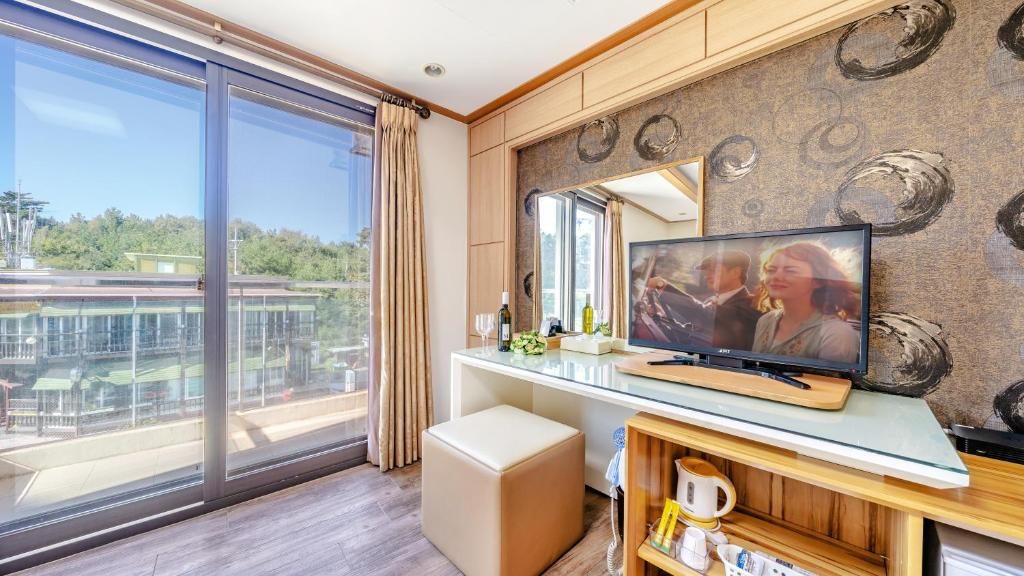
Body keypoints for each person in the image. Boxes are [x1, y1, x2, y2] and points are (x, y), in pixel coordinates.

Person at [751, 242, 861, 364]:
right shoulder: (766, 320)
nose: (776, 277)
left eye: (791, 271)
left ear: (818, 281)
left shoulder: (837, 333)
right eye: (771, 270)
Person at [696, 250, 762, 350]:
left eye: (713, 270)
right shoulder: (709, 301)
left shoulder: (752, 304)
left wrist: (668, 290)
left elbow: (710, 313)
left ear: (735, 273)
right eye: (707, 271)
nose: (707, 276)